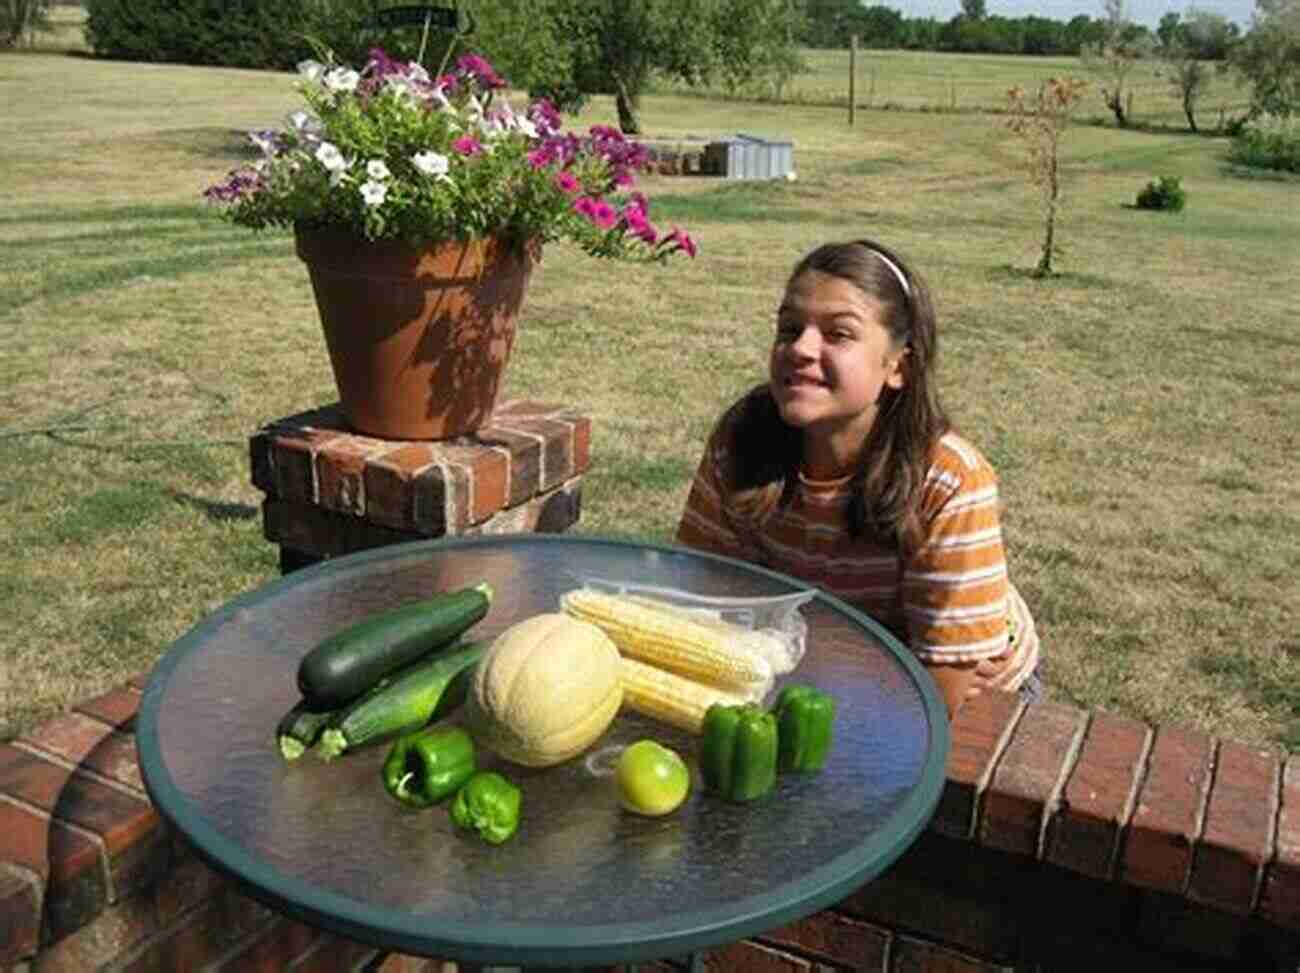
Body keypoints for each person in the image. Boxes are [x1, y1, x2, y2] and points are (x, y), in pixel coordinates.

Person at [675, 239, 1041, 719]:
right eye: (789, 328)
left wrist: (793, 647)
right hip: (819, 659)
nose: (800, 349)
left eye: (838, 334)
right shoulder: (742, 438)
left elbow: (940, 690)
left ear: (898, 367)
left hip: (964, 697)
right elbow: (706, 595)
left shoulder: (950, 482)